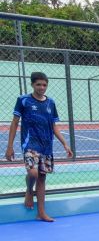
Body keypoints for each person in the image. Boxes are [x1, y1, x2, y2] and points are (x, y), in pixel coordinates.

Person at [4, 71, 73, 222]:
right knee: (33, 173)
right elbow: (15, 123)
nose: (42, 87)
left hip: (46, 146)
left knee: (42, 178)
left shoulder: (51, 103)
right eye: (38, 84)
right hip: (30, 144)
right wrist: (9, 146)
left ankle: (41, 213)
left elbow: (53, 126)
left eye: (44, 85)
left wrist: (65, 144)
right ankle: (29, 191)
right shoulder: (23, 100)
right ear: (32, 84)